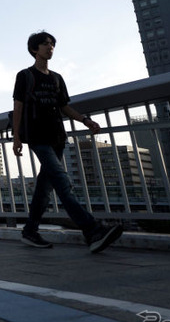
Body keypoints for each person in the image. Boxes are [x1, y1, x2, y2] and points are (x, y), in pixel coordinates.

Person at [12, 31, 123, 253]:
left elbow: (64, 106)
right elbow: (18, 106)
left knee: (45, 188)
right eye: (45, 44)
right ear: (35, 49)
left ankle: (30, 231)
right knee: (62, 182)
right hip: (37, 137)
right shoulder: (25, 75)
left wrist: (85, 119)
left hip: (58, 139)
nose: (50, 47)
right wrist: (16, 137)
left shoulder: (56, 78)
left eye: (52, 44)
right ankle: (92, 230)